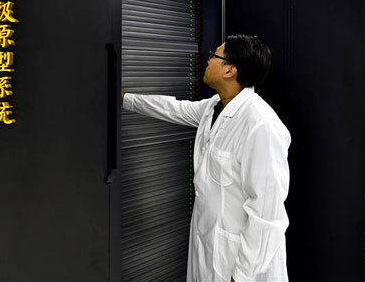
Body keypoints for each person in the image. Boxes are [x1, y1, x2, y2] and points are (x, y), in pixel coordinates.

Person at [121, 34, 291, 282]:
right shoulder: (215, 107)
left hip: (241, 263)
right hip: (209, 243)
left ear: (230, 70)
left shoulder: (260, 125)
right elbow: (175, 108)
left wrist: (241, 276)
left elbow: (267, 214)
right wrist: (126, 99)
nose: (208, 59)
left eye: (215, 55)